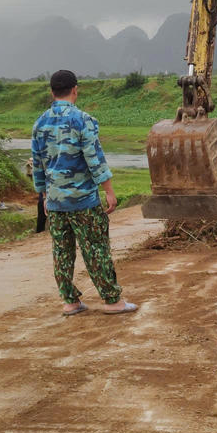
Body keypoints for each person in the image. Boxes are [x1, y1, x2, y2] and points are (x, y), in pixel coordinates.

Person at [31, 70, 137, 316]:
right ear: (75, 89)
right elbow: (95, 160)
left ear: (52, 92)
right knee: (96, 248)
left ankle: (70, 302)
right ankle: (112, 301)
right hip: (83, 201)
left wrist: (45, 197)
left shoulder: (39, 123)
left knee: (61, 251)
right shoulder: (83, 120)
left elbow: (38, 165)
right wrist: (109, 192)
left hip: (56, 202)